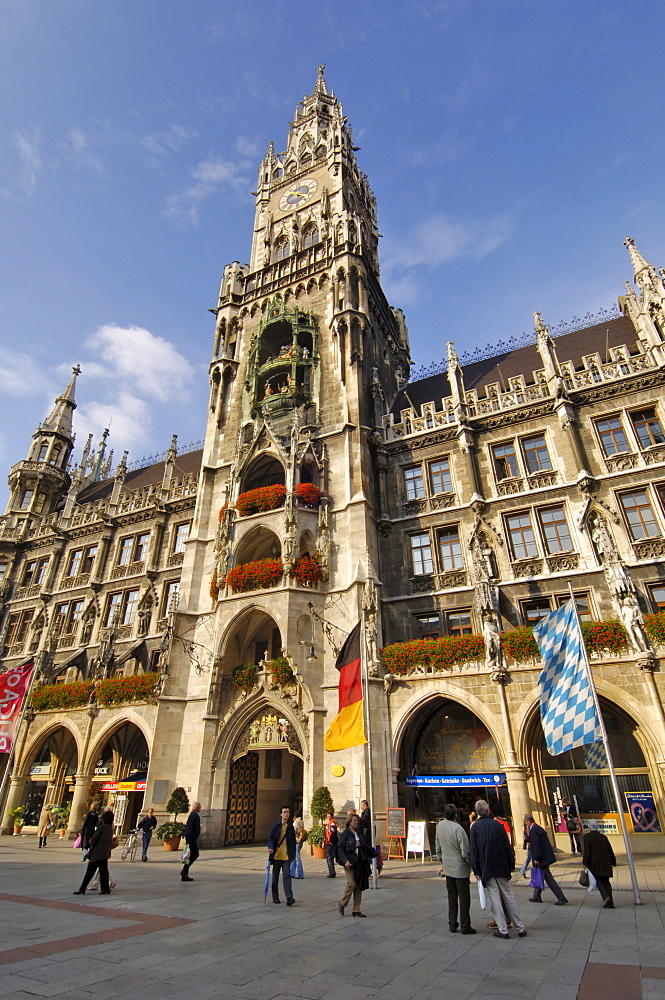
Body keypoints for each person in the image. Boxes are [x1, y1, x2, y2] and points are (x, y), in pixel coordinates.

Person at [470, 800, 526, 939]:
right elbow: (508, 846)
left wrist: (476, 870)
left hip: (486, 867)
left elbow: (474, 851)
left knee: (495, 898)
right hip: (501, 865)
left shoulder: (475, 828)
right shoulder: (497, 825)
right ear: (488, 810)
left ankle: (503, 929)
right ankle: (520, 927)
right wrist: (510, 864)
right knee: (509, 896)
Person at [435, 803, 476, 935]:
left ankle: (452, 923)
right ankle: (465, 925)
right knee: (464, 898)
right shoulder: (458, 828)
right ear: (455, 815)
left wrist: (442, 861)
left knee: (451, 897)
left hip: (448, 868)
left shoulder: (439, 826)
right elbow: (465, 851)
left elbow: (437, 847)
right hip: (460, 868)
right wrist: (471, 863)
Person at [337, 813, 375, 918]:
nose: (356, 822)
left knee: (359, 884)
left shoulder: (358, 833)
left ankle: (356, 909)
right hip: (349, 863)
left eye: (357, 820)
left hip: (359, 862)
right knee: (352, 883)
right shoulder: (345, 834)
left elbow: (365, 844)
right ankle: (342, 902)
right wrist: (345, 861)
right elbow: (340, 848)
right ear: (349, 822)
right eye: (354, 820)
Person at [525, 813, 568, 905]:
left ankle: (561, 897)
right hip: (543, 857)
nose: (526, 824)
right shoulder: (536, 829)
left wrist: (536, 858)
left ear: (529, 821)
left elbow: (536, 845)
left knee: (548, 878)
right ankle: (537, 896)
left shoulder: (535, 829)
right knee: (539, 875)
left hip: (541, 859)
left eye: (526, 822)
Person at [73, 810, 115, 895]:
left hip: (97, 852)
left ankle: (82, 888)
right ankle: (105, 889)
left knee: (90, 871)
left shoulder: (102, 827)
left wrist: (90, 840)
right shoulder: (110, 827)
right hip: (105, 853)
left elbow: (94, 839)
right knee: (104, 871)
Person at [583, 819, 617, 908]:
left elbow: (587, 852)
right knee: (606, 881)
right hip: (606, 862)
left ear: (589, 827)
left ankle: (606, 897)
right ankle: (611, 902)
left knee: (599, 880)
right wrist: (613, 861)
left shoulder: (587, 837)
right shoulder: (603, 837)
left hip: (595, 863)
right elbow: (610, 850)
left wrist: (584, 863)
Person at [268, 805, 296, 905]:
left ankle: (289, 897)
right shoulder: (276, 826)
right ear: (281, 814)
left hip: (286, 856)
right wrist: (271, 847)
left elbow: (292, 842)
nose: (286, 814)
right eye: (284, 812)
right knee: (275, 878)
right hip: (277, 856)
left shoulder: (290, 827)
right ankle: (275, 896)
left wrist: (293, 856)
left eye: (287, 812)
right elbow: (271, 838)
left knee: (287, 876)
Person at [181, 801, 202, 882]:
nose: (200, 808)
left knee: (190, 855)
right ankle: (184, 872)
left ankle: (184, 873)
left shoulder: (194, 814)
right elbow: (189, 827)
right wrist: (188, 839)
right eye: (199, 806)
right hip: (191, 839)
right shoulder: (194, 815)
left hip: (192, 838)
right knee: (194, 854)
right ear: (196, 807)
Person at [324, 811, 338, 878]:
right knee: (329, 857)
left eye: (329, 816)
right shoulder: (330, 823)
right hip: (329, 841)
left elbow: (333, 832)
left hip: (331, 842)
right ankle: (332, 872)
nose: (328, 817)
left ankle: (332, 872)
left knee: (329, 857)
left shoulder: (332, 823)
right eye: (327, 816)